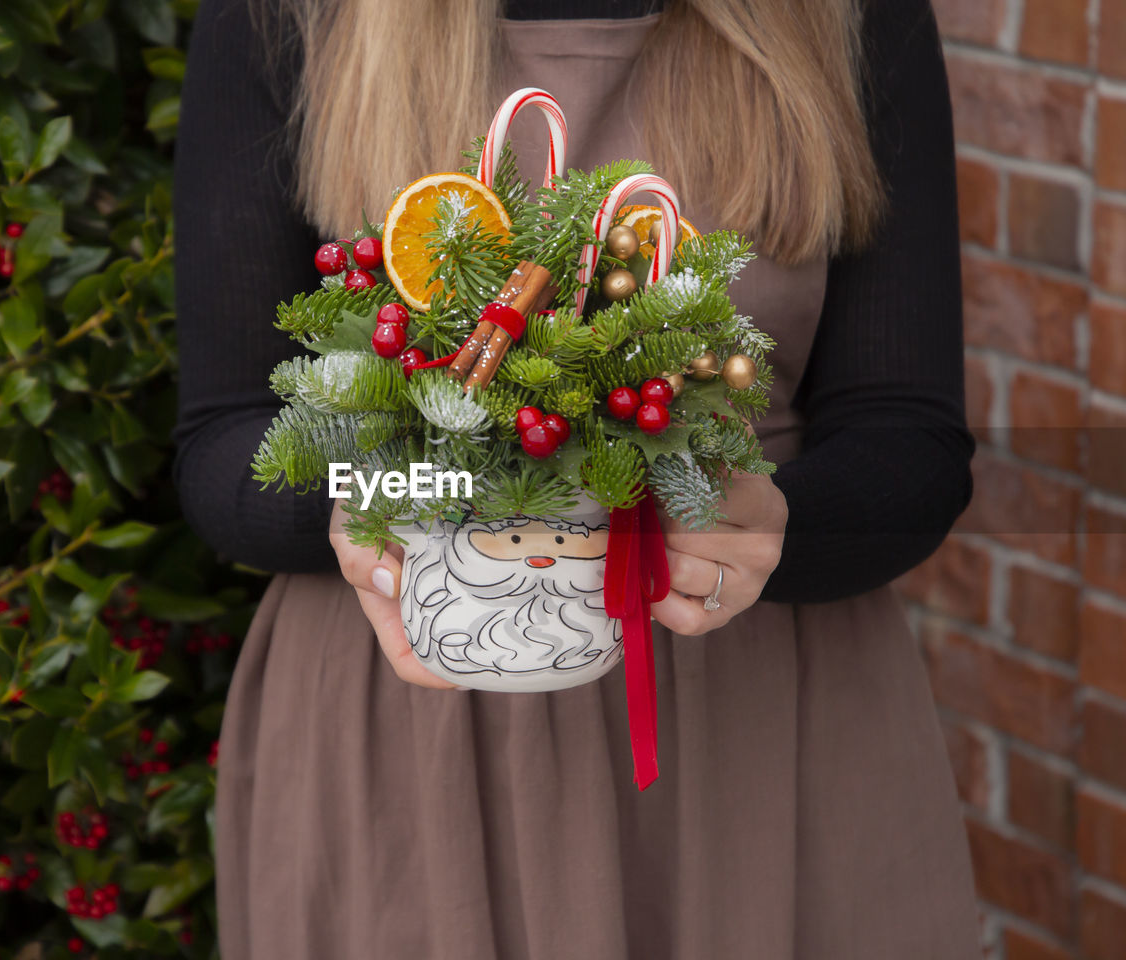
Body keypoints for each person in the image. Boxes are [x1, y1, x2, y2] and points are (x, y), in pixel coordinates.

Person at [172, 0, 982, 956]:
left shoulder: (845, 15)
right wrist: (378, 502)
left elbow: (910, 435)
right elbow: (228, 441)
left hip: (763, 735)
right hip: (410, 729)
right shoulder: (289, 17)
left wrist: (774, 525)